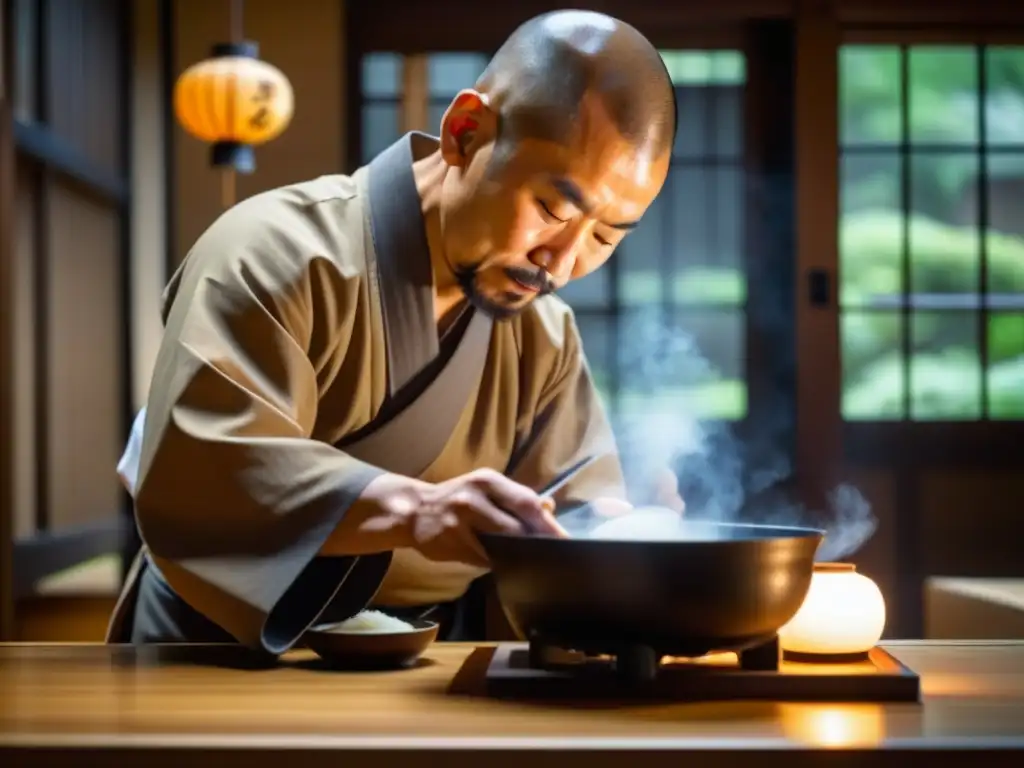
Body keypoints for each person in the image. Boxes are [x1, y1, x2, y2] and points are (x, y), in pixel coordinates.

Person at [107, 9, 683, 654]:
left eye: (605, 236)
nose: (563, 261)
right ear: (465, 133)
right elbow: (207, 470)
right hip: (221, 654)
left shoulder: (545, 335)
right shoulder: (269, 253)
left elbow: (575, 510)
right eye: (552, 209)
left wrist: (626, 534)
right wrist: (416, 511)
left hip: (431, 663)